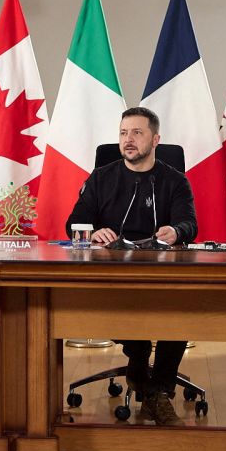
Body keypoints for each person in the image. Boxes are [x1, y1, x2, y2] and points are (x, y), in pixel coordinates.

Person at [65, 106, 198, 427]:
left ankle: (159, 390)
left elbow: (189, 224)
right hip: (110, 271)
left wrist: (176, 231)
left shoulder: (174, 180)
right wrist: (92, 231)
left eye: (137, 133)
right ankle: (138, 363)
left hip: (160, 270)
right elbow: (72, 224)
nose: (128, 140)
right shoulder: (101, 178)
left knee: (178, 309)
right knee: (125, 302)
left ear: (155, 139)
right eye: (124, 133)